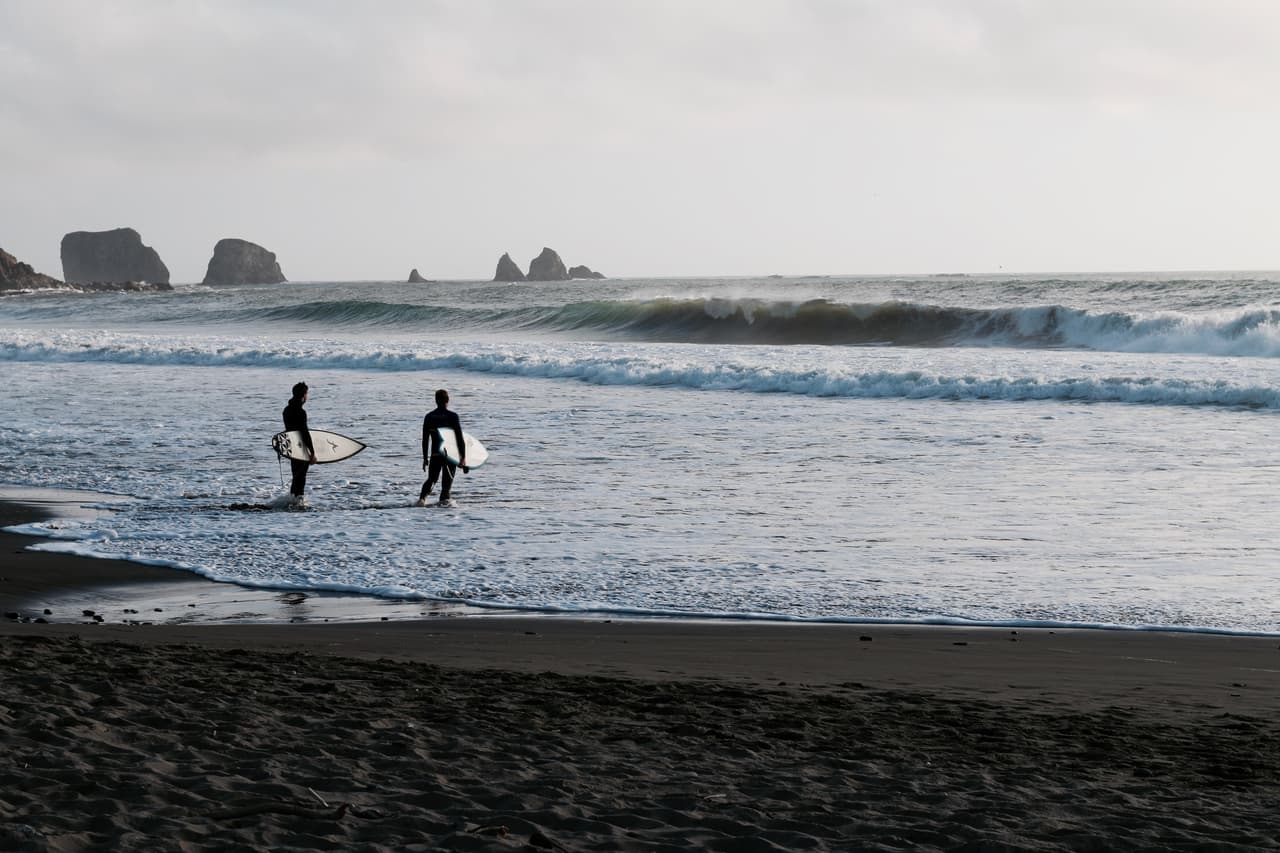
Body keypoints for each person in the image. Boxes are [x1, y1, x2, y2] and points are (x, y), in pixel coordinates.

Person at [418, 388, 469, 506]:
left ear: (436, 401)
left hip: (436, 453)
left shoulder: (429, 416)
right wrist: (463, 457)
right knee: (446, 488)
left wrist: (425, 458)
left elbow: (425, 439)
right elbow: (459, 439)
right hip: (450, 455)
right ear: (448, 400)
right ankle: (444, 516)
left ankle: (422, 499)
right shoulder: (452, 416)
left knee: (432, 479)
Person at [282, 381, 316, 507]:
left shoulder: (286, 410)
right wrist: (312, 452)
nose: (307, 397)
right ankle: (298, 504)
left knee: (296, 476)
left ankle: (293, 501)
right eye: (307, 394)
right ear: (303, 395)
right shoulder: (301, 412)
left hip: (291, 446)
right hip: (301, 447)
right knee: (301, 477)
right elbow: (304, 433)